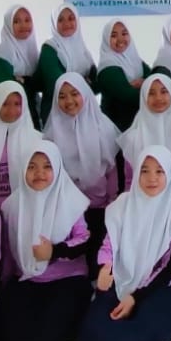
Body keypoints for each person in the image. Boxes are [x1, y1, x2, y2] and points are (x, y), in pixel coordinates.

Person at [78, 147, 171, 341]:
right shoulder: (120, 207)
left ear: (169, 174)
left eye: (159, 171)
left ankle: (125, 331)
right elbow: (108, 245)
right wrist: (105, 268)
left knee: (157, 335)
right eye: (144, 171)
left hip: (155, 286)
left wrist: (135, 297)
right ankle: (122, 332)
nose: (151, 178)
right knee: (91, 337)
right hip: (120, 279)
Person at [0, 140, 94, 341]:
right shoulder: (12, 206)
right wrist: (4, 285)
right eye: (32, 167)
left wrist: (54, 251)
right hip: (28, 278)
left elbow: (84, 240)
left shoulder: (70, 201)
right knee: (10, 333)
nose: (39, 173)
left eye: (47, 167)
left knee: (55, 323)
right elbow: (8, 252)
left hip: (67, 279)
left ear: (57, 169)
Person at [41, 72, 125, 267]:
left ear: (86, 94)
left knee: (99, 264)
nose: (69, 101)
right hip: (68, 212)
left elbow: (114, 173)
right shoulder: (51, 136)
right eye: (62, 96)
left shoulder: (105, 129)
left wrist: (111, 210)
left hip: (104, 211)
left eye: (74, 94)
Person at [0, 80, 41, 211]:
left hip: (25, 211)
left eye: (17, 104)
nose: (11, 110)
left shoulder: (38, 140)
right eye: (4, 104)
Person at [118, 74, 171, 190]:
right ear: (143, 97)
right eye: (151, 93)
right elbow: (129, 180)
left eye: (164, 92)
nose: (158, 98)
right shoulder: (132, 138)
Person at [37, 4, 96, 124]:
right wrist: (84, 82)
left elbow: (97, 82)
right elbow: (58, 84)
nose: (66, 23)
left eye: (71, 18)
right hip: (56, 113)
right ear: (54, 23)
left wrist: (86, 83)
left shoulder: (82, 48)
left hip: (82, 110)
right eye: (60, 20)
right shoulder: (49, 48)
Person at [0, 5, 42, 127]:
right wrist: (29, 83)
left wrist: (25, 81)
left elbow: (42, 84)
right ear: (8, 25)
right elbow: (8, 90)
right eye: (16, 21)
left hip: (32, 113)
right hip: (10, 117)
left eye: (27, 20)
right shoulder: (1, 53)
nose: (23, 25)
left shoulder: (34, 53)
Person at [95, 18, 150, 130]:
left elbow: (154, 78)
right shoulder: (107, 67)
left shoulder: (134, 59)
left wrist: (142, 84)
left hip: (137, 124)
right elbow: (130, 97)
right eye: (114, 35)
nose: (120, 39)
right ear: (106, 39)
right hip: (116, 128)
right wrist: (146, 85)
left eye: (124, 34)